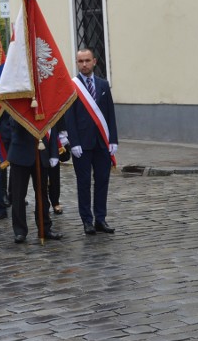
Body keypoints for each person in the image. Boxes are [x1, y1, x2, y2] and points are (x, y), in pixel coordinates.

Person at [65, 48, 118, 235]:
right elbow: (69, 116)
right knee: (84, 182)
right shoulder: (72, 86)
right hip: (82, 144)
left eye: (87, 60)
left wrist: (113, 139)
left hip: (102, 143)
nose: (84, 64)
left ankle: (100, 219)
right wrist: (74, 142)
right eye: (81, 61)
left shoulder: (103, 85)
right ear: (77, 63)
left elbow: (110, 114)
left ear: (94, 61)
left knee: (102, 181)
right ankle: (87, 220)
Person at [8, 122, 64, 243]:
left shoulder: (44, 103)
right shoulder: (18, 102)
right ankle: (20, 231)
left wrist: (54, 153)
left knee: (42, 193)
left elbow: (52, 127)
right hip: (20, 153)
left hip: (41, 152)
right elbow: (11, 124)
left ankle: (45, 228)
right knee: (18, 195)